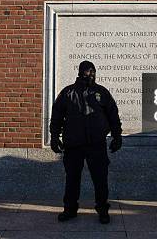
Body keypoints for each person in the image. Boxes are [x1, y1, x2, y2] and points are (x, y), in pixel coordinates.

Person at [49, 60, 123, 224]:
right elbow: (57, 116)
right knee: (72, 178)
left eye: (94, 71)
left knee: (100, 179)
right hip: (73, 144)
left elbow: (113, 115)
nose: (92, 74)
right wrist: (54, 137)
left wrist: (117, 136)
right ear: (80, 72)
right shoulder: (68, 93)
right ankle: (70, 209)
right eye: (89, 71)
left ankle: (103, 209)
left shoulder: (101, 92)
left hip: (96, 144)